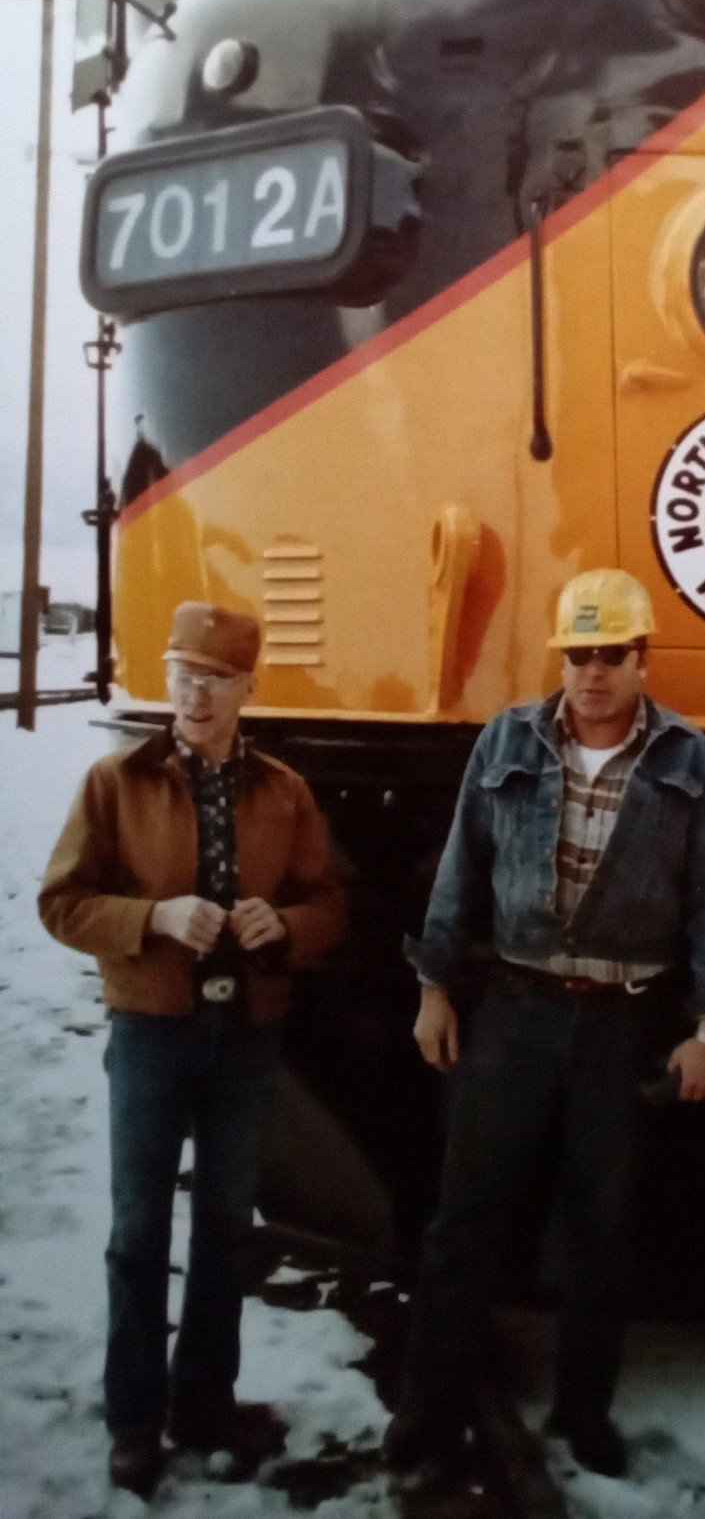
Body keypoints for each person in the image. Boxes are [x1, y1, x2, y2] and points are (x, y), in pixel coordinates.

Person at [386, 569, 705, 1481]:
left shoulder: (693, 762)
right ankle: (430, 1405)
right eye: (578, 653)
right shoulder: (506, 740)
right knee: (464, 1215)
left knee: (602, 1228)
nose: (591, 672)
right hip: (514, 1010)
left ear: (642, 658)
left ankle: (587, 1413)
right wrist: (433, 988)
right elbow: (459, 870)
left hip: (625, 1023)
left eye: (610, 653)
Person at [38, 602, 346, 1496]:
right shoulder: (116, 781)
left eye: (212, 677)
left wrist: (283, 923)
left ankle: (205, 1401)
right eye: (180, 672)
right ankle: (135, 1419)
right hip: (150, 1035)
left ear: (249, 685)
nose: (192, 693)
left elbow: (331, 908)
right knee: (138, 1231)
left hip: (244, 1038)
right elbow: (61, 903)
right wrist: (152, 917)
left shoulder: (284, 792)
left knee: (222, 1228)